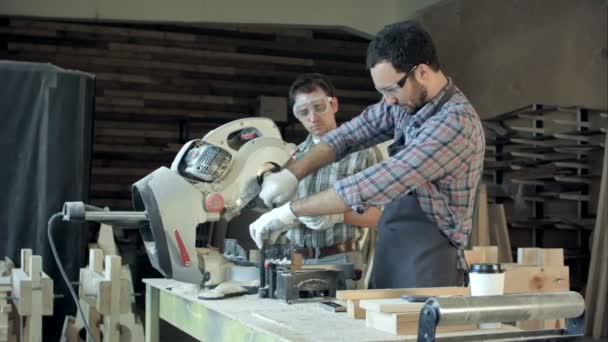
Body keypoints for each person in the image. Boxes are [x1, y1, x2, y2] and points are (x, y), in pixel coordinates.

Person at [249, 20, 485, 289]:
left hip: (431, 252)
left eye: (390, 89)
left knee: (414, 328)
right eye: (381, 92)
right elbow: (348, 135)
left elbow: (381, 180)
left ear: (421, 72)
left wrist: (289, 212)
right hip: (393, 243)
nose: (389, 101)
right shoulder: (404, 102)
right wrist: (291, 174)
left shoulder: (454, 123)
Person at [249, 73, 382, 289]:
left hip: (341, 259)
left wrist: (337, 215)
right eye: (303, 112)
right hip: (294, 259)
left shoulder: (362, 153)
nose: (313, 118)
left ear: (334, 104)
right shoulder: (292, 155)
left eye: (319, 107)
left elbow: (378, 216)